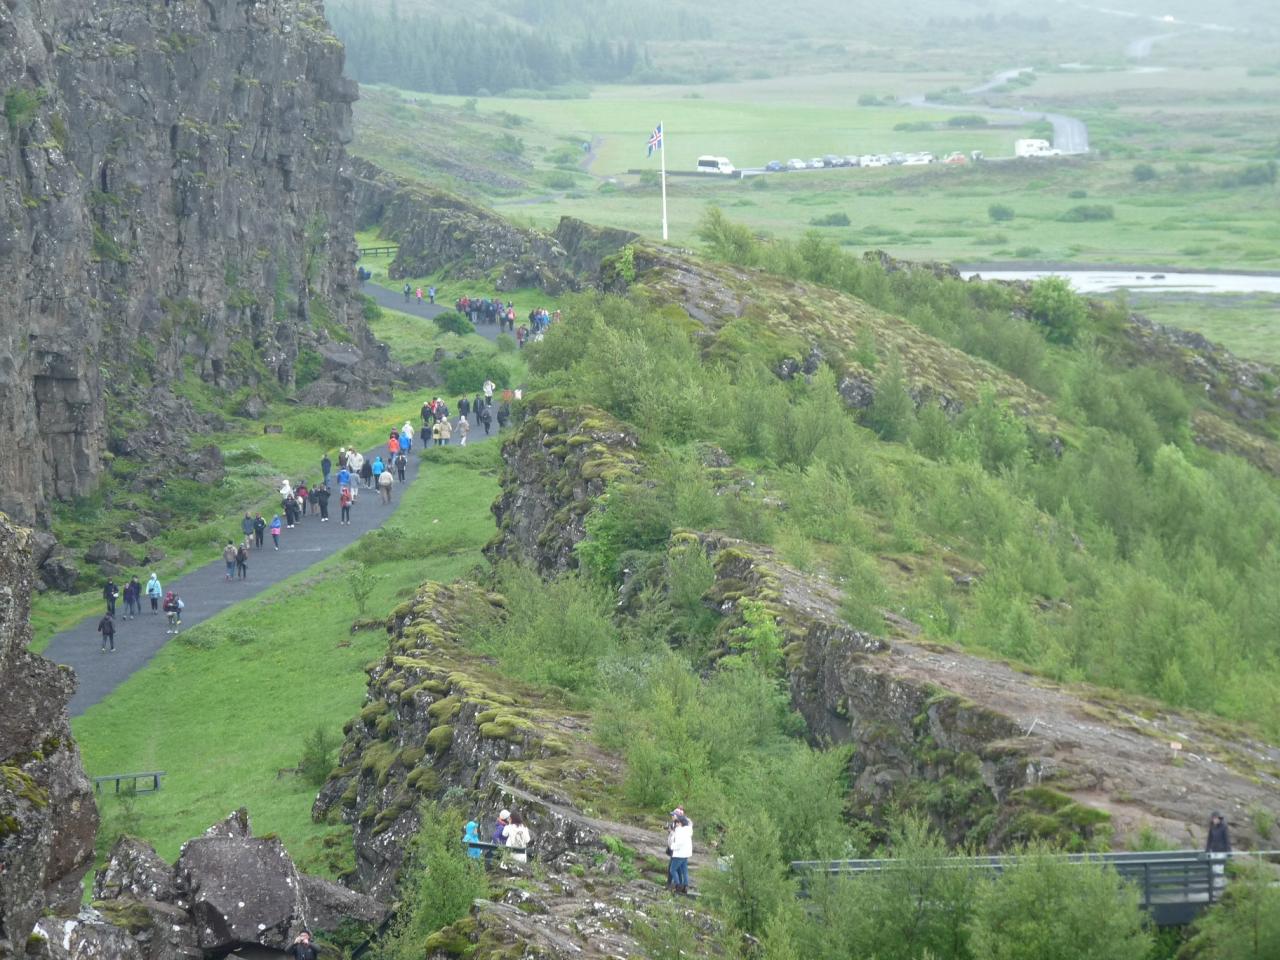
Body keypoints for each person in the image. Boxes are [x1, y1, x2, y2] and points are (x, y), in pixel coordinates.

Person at [667, 808, 693, 894]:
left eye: (677, 823)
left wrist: (672, 846)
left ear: (680, 823)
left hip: (679, 854)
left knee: (672, 869)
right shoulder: (688, 831)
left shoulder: (680, 831)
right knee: (684, 870)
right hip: (686, 853)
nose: (676, 824)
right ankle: (685, 886)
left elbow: (679, 843)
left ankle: (677, 885)